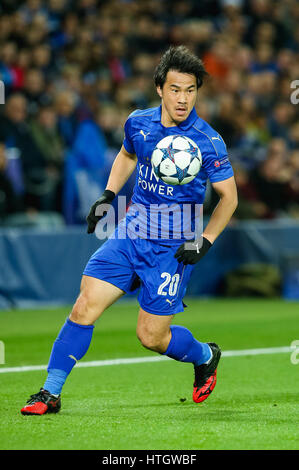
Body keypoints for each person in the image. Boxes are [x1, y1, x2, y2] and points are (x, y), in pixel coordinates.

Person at [21, 46, 238, 415]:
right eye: (175, 89)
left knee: (151, 337)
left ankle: (204, 354)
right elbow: (126, 154)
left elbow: (228, 198)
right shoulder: (138, 122)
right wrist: (108, 194)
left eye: (190, 90)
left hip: (173, 245)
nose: (183, 99)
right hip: (131, 231)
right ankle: (49, 392)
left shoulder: (209, 141)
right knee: (84, 305)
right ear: (159, 88)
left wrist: (205, 240)